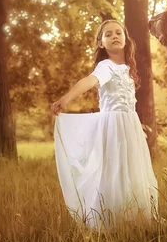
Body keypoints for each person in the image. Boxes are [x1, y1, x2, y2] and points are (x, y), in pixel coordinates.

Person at [51, 19, 159, 230]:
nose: (114, 36)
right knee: (114, 170)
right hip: (114, 127)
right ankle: (112, 220)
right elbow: (89, 81)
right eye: (108, 34)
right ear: (101, 43)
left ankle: (134, 219)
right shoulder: (106, 66)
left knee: (132, 170)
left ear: (126, 39)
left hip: (129, 126)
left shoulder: (127, 68)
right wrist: (66, 98)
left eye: (118, 32)